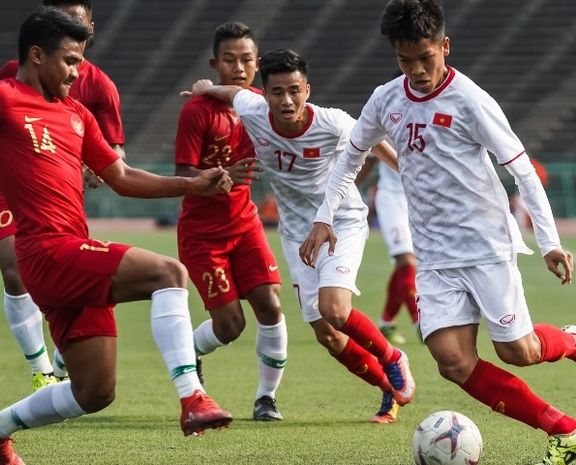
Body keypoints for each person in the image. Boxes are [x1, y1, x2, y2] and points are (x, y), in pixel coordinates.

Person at [299, 1, 576, 464]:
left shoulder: (471, 100)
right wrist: (324, 215)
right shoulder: (385, 99)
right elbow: (351, 155)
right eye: (404, 60)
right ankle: (566, 431)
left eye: (425, 58)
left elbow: (523, 172)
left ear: (444, 47)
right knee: (452, 362)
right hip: (433, 256)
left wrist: (549, 242)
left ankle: (574, 342)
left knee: (520, 351)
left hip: (485, 248)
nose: (416, 71)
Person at [0, 8, 234, 463]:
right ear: (35, 55)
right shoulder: (6, 99)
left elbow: (122, 176)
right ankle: (193, 398)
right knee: (168, 273)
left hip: (72, 255)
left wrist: (190, 184)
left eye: (80, 61)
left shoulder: (76, 115)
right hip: (47, 250)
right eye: (69, 61)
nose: (77, 71)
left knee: (94, 392)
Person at [182, 48, 415, 424]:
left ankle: (392, 358)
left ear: (307, 89)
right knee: (328, 334)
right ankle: (390, 392)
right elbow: (230, 93)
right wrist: (206, 88)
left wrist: (408, 174)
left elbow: (372, 142)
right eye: (277, 92)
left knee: (334, 309)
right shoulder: (252, 110)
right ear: (264, 94)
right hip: (296, 235)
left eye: (294, 90)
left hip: (342, 223)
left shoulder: (333, 123)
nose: (287, 100)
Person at [0, 0, 125, 391]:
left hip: (57, 195)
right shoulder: (12, 81)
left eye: (76, 20)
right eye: (62, 18)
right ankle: (42, 369)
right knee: (14, 265)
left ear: (91, 26)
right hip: (8, 185)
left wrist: (96, 165)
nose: (68, 24)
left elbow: (116, 154)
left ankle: (62, 355)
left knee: (70, 274)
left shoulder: (99, 86)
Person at [174, 22, 287, 421]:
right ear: (214, 63)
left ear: (257, 64)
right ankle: (189, 349)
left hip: (245, 226)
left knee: (271, 305)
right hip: (203, 236)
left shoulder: (261, 103)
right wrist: (222, 176)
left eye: (246, 59)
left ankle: (265, 400)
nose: (238, 67)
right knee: (230, 325)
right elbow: (183, 177)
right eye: (229, 59)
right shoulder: (196, 112)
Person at [355, 156, 419, 345]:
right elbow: (370, 157)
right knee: (407, 260)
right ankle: (420, 322)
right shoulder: (387, 125)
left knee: (408, 265)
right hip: (392, 198)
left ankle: (386, 322)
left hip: (420, 198)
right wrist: (345, 189)